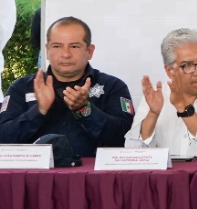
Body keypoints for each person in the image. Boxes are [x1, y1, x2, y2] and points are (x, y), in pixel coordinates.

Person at [0, 16, 133, 158]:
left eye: (74, 46)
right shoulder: (22, 87)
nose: (65, 54)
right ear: (47, 50)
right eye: (57, 46)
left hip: (92, 172)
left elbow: (126, 140)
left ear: (89, 51)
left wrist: (85, 110)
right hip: (36, 172)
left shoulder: (113, 87)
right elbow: (4, 138)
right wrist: (39, 110)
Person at [126, 27, 197, 158]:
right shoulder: (156, 96)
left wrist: (183, 108)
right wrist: (153, 114)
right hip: (169, 172)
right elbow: (133, 152)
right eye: (187, 65)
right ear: (169, 71)